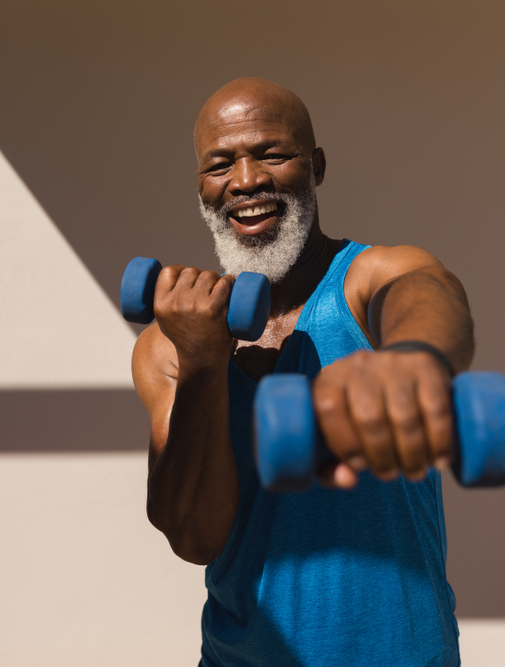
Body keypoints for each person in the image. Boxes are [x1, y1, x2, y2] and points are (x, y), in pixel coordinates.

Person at [131, 77, 473, 667]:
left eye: (272, 153)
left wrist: (416, 360)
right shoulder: (169, 346)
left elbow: (427, 294)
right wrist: (205, 365)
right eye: (220, 165)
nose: (246, 181)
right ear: (202, 187)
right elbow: (193, 536)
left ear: (315, 166)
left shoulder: (367, 278)